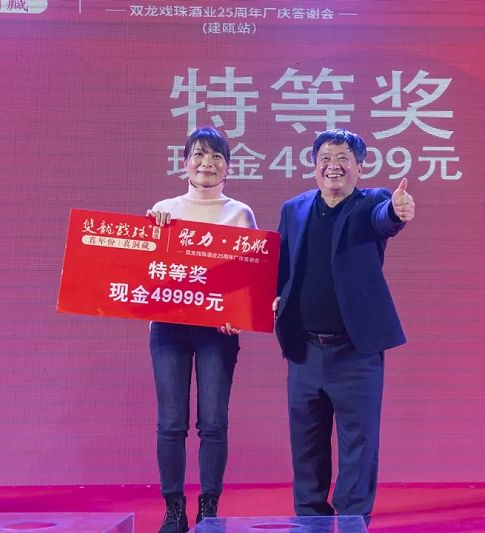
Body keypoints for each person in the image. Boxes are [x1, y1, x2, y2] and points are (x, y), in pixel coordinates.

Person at [272, 128, 416, 524]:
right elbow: (281, 267)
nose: (333, 166)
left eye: (343, 159)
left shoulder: (372, 202)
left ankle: (353, 522)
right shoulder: (294, 209)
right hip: (304, 351)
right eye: (325, 158)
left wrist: (397, 211)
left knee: (359, 445)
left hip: (355, 352)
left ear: (359, 166)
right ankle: (310, 523)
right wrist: (271, 299)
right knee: (306, 445)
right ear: (314, 165)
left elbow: (385, 219)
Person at [147, 127, 257, 533]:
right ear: (185, 163)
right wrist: (152, 228)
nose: (206, 163)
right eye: (198, 155)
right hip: (170, 329)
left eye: (216, 157)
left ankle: (209, 508)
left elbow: (251, 277)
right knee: (171, 422)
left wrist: (240, 314)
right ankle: (173, 510)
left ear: (228, 167)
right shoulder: (164, 210)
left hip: (217, 332)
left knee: (213, 422)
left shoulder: (240, 213)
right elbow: (147, 268)